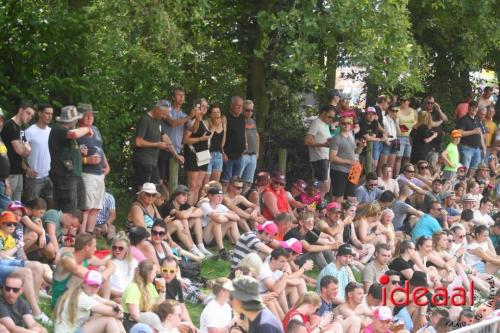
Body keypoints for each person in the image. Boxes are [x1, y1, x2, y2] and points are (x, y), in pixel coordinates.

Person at [51, 233, 115, 307]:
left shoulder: (87, 258)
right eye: (94, 246)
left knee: (103, 269)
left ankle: (106, 303)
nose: (95, 249)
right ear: (87, 247)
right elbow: (84, 274)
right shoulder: (67, 259)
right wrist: (100, 276)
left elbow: (110, 264)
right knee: (86, 277)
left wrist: (105, 274)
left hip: (76, 298)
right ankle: (104, 305)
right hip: (61, 303)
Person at [48, 105, 92, 212]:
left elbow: (66, 151)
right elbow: (74, 134)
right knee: (68, 210)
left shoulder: (66, 131)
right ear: (72, 120)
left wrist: (78, 152)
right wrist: (87, 128)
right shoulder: (58, 128)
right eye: (76, 119)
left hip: (74, 175)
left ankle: (76, 228)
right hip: (65, 176)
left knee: (79, 209)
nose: (77, 121)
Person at [55, 270, 125, 333]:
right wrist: (119, 311)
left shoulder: (83, 292)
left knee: (113, 318)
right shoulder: (82, 298)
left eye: (96, 286)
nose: (93, 289)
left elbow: (107, 302)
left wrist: (115, 306)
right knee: (109, 320)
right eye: (91, 285)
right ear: (84, 284)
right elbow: (118, 314)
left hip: (75, 329)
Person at [77, 103, 110, 233]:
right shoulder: (77, 132)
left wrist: (107, 165)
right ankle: (82, 234)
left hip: (99, 173)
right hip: (87, 173)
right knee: (87, 207)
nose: (90, 117)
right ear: (80, 117)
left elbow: (100, 148)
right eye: (86, 115)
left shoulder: (95, 129)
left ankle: (90, 234)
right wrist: (86, 159)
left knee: (96, 207)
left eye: (91, 115)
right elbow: (72, 156)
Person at [132, 100, 177, 190]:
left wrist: (175, 154)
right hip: (143, 161)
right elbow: (138, 142)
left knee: (156, 188)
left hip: (153, 161)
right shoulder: (145, 120)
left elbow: (165, 137)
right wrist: (157, 144)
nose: (164, 117)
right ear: (157, 109)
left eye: (166, 114)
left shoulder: (158, 121)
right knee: (145, 189)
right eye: (163, 114)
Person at [1, 102, 35, 201]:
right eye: (28, 113)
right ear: (20, 110)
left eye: (32, 116)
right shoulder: (10, 125)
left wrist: (26, 150)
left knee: (17, 206)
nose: (30, 117)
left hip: (18, 172)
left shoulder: (21, 129)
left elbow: (28, 151)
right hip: (9, 173)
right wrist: (26, 149)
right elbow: (20, 151)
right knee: (8, 207)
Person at [122, 260, 166, 330]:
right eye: (154, 272)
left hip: (145, 321)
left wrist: (163, 290)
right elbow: (135, 315)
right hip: (132, 325)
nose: (156, 274)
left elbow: (158, 306)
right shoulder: (133, 288)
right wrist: (152, 326)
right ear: (148, 273)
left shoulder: (149, 285)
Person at [329, 115, 364, 202]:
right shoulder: (336, 138)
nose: (346, 125)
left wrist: (361, 147)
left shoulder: (351, 134)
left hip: (352, 170)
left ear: (351, 124)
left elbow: (355, 152)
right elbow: (332, 157)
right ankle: (336, 214)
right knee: (338, 196)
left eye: (349, 123)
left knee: (351, 197)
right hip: (338, 170)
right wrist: (349, 161)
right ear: (340, 124)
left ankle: (347, 213)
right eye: (344, 123)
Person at [23, 103, 53, 204]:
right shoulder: (30, 131)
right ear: (40, 113)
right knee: (33, 208)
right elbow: (18, 153)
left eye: (51, 114)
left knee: (50, 207)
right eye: (47, 113)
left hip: (49, 176)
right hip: (34, 178)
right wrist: (26, 169)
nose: (49, 116)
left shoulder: (51, 132)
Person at [200, 187, 240, 260]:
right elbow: (218, 219)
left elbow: (237, 217)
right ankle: (222, 251)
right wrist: (227, 216)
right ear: (210, 196)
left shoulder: (221, 206)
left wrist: (224, 214)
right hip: (205, 237)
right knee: (216, 221)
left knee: (232, 221)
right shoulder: (205, 205)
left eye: (221, 196)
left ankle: (239, 246)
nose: (220, 198)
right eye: (218, 196)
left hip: (217, 236)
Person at [182, 104, 211, 205]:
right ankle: (188, 208)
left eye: (206, 106)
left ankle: (194, 208)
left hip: (204, 153)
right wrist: (200, 139)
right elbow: (185, 140)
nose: (204, 108)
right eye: (201, 106)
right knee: (192, 185)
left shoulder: (204, 121)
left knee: (199, 185)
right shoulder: (192, 121)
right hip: (193, 154)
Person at [305, 105, 334, 199]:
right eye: (329, 116)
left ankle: (319, 206)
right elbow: (307, 141)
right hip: (319, 159)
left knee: (326, 187)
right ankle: (316, 205)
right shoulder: (316, 122)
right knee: (322, 186)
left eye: (333, 117)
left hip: (326, 158)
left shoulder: (325, 125)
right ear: (323, 113)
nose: (331, 119)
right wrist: (323, 145)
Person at [456, 101, 485, 178]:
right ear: (468, 107)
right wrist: (474, 131)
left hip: (477, 149)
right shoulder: (463, 119)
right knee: (464, 169)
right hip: (466, 147)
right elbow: (459, 133)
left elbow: (480, 134)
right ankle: (459, 185)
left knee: (473, 169)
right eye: (472, 107)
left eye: (476, 107)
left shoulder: (477, 120)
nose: (474, 109)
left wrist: (484, 147)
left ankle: (467, 186)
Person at [222, 96, 246, 187]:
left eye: (241, 106)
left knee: (237, 183)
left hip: (240, 156)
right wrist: (223, 152)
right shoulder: (225, 118)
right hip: (228, 156)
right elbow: (221, 136)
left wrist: (245, 146)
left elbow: (243, 133)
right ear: (232, 105)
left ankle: (234, 200)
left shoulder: (242, 118)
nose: (240, 108)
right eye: (237, 106)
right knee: (226, 182)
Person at [109, 231, 138, 301]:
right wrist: (122, 294)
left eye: (120, 248)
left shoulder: (133, 262)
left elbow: (137, 281)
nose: (117, 250)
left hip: (132, 295)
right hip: (116, 297)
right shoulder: (108, 261)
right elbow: (103, 287)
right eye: (114, 247)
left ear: (127, 249)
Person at [240, 100, 260, 192]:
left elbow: (257, 136)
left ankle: (241, 200)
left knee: (248, 182)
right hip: (243, 155)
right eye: (247, 110)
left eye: (251, 110)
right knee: (237, 180)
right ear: (242, 109)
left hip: (253, 155)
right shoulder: (239, 120)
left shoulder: (252, 121)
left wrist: (257, 152)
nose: (250, 112)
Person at [204, 103, 226, 184]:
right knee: (205, 184)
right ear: (210, 114)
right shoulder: (206, 122)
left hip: (218, 155)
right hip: (208, 154)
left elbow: (224, 138)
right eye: (214, 112)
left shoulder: (223, 123)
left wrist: (222, 151)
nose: (217, 115)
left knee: (214, 184)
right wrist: (214, 126)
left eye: (218, 112)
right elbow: (206, 138)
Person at [395, 96, 417, 174]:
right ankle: (396, 176)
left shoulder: (413, 111)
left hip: (408, 137)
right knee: (398, 157)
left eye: (405, 100)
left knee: (407, 158)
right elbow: (394, 122)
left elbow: (416, 123)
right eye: (402, 100)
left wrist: (410, 127)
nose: (403, 102)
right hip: (398, 137)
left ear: (408, 102)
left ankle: (405, 175)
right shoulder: (397, 110)